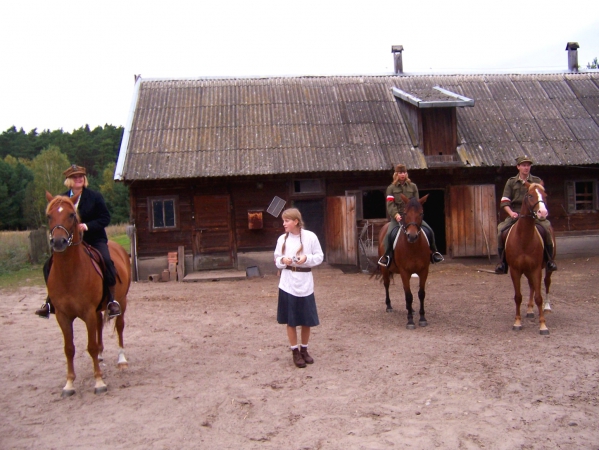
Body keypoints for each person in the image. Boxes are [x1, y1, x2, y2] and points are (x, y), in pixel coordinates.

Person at [35, 164, 122, 319]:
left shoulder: (95, 197)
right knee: (48, 266)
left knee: (107, 261)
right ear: (69, 180)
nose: (79, 179)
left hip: (93, 239)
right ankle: (50, 302)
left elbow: (105, 218)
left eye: (81, 176)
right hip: (69, 243)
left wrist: (86, 226)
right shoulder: (60, 200)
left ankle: (111, 300)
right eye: (75, 177)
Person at [274, 208, 324, 368]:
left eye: (286, 221)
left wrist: (306, 258)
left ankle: (304, 350)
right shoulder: (282, 239)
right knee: (291, 320)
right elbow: (276, 260)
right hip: (288, 283)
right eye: (283, 221)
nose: (284, 224)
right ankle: (295, 351)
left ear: (296, 221)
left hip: (305, 283)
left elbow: (319, 256)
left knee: (306, 321)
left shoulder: (310, 237)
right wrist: (284, 260)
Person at [495, 156, 557, 274]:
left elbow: (542, 199)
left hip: (534, 214)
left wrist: (541, 211)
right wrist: (511, 213)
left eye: (528, 165)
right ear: (518, 167)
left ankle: (549, 260)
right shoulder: (511, 182)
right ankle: (502, 262)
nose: (526, 168)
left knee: (547, 230)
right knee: (500, 230)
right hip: (516, 214)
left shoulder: (537, 181)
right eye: (523, 165)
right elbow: (505, 202)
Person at [378, 164, 444, 267]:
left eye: (404, 172)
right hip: (398, 217)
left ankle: (434, 253)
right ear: (396, 174)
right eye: (400, 173)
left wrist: (416, 215)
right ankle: (386, 256)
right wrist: (396, 215)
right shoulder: (391, 188)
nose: (402, 174)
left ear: (406, 173)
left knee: (429, 230)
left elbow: (417, 204)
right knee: (388, 234)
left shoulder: (413, 186)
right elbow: (390, 205)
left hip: (412, 217)